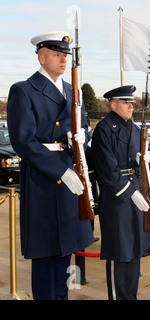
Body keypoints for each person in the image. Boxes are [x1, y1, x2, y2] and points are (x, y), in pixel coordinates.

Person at [7, 31, 94, 299]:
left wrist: (80, 139)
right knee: (46, 255)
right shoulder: (24, 90)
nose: (63, 60)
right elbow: (23, 141)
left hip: (70, 174)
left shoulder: (72, 90)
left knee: (64, 252)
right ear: (41, 58)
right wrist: (61, 171)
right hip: (44, 178)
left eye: (65, 55)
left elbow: (84, 128)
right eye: (57, 55)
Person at [90, 85, 150, 300]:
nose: (131, 106)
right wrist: (131, 192)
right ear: (113, 105)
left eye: (132, 102)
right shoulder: (104, 128)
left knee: (134, 250)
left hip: (136, 191)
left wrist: (145, 159)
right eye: (126, 102)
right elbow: (107, 171)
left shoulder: (135, 129)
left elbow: (141, 156)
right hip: (118, 196)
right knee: (119, 253)